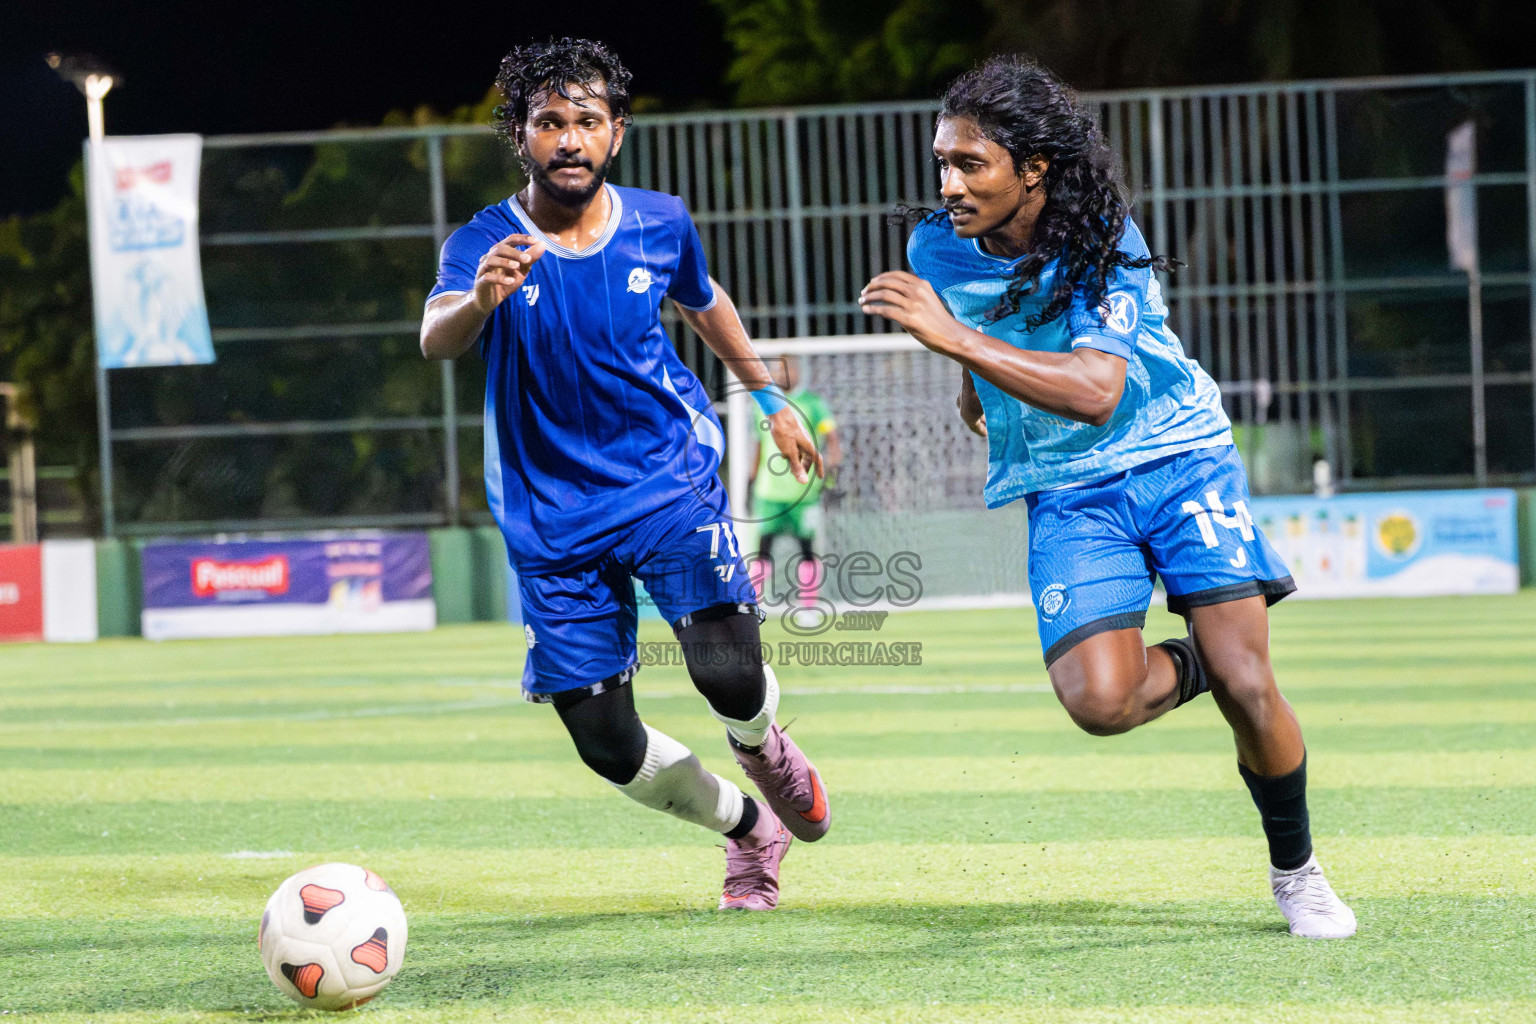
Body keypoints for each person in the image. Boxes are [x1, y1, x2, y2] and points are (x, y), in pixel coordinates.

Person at [859, 55, 1355, 939]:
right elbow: (988, 327)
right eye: (943, 161)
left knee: (1252, 685)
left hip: (1178, 458)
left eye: (970, 164)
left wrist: (952, 343)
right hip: (1065, 487)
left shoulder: (1105, 237)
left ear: (1034, 168)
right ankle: (1203, 655)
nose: (949, 183)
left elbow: (1097, 390)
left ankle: (1299, 872)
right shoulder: (935, 245)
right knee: (1101, 705)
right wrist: (974, 383)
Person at [420, 38, 831, 911]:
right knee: (606, 743)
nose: (569, 140)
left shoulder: (659, 220)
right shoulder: (481, 244)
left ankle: (761, 741)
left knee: (727, 673)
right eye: (548, 123)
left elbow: (702, 297)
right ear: (520, 134)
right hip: (552, 521)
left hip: (664, 481)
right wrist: (479, 300)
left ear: (615, 133)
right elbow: (437, 337)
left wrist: (768, 400)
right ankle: (747, 829)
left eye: (588, 122)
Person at [749, 356, 842, 607]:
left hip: (804, 491)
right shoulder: (764, 405)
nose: (782, 374)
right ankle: (753, 605)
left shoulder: (813, 404)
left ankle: (808, 608)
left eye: (787, 369)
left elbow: (832, 441)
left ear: (798, 372)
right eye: (777, 370)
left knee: (807, 549)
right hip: (768, 491)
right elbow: (758, 445)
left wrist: (832, 480)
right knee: (762, 550)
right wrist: (751, 479)